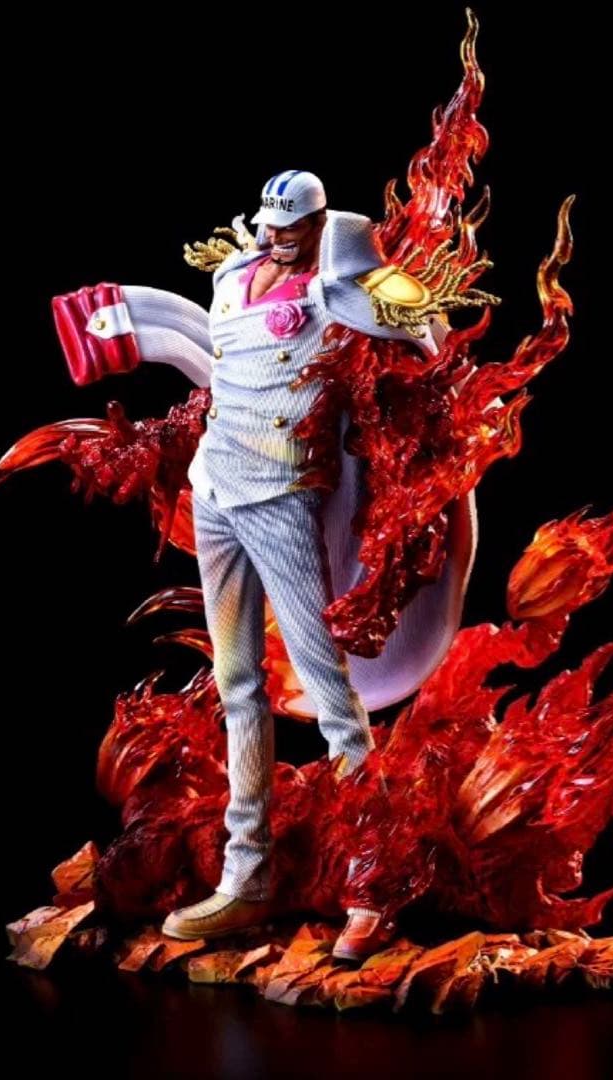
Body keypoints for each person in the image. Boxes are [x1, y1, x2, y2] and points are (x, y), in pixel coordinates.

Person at [158, 171, 441, 959]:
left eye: (292, 227)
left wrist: (355, 257)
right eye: (270, 224)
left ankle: (371, 886)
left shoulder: (338, 289)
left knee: (330, 696)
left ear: (318, 225)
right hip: (215, 487)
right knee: (236, 684)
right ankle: (245, 878)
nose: (275, 237)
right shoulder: (231, 274)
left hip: (283, 495)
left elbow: (426, 325)